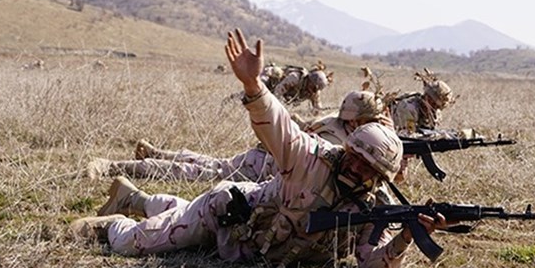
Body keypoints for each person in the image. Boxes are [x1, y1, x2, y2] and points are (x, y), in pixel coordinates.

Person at [71, 28, 446, 268]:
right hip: (225, 217)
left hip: (249, 251)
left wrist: (407, 238)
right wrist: (252, 85)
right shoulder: (312, 159)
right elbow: (278, 124)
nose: (355, 165)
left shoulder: (375, 210)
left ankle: (136, 197)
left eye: (367, 166)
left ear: (379, 177)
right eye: (355, 155)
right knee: (133, 244)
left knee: (179, 213)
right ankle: (112, 224)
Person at [86, 89, 389, 184]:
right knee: (193, 172)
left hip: (264, 159)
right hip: (263, 168)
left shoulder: (334, 123)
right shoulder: (342, 140)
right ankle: (114, 167)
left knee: (209, 163)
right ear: (359, 121)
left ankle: (157, 153)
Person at [389, 68, 455, 134]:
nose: (435, 108)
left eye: (438, 106)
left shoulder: (436, 113)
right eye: (434, 104)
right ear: (427, 97)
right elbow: (407, 136)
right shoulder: (410, 108)